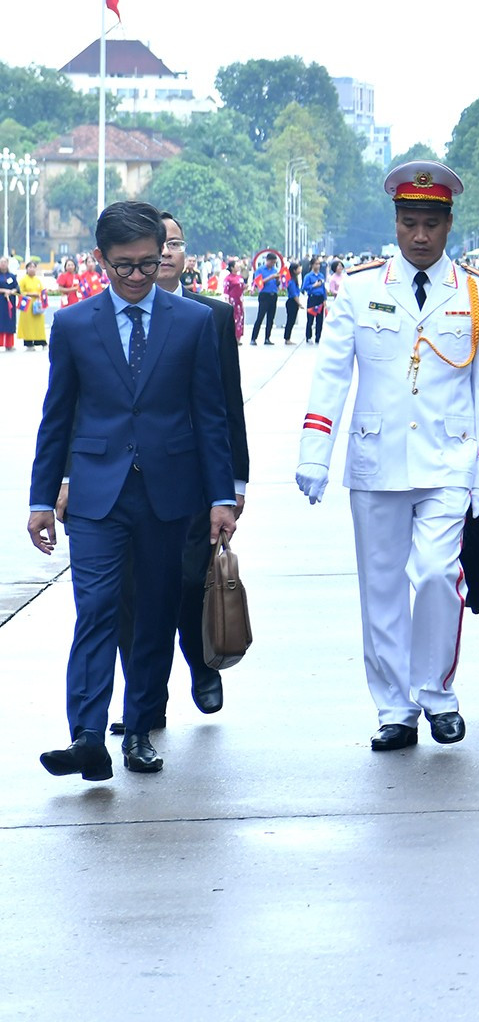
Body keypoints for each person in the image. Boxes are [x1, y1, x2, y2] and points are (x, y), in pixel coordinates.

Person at [294, 162, 479, 752]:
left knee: (438, 573)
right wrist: (315, 451)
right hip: (376, 456)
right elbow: (333, 373)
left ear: (448, 226)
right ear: (395, 223)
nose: (419, 236)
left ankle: (436, 692)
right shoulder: (360, 288)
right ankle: (394, 707)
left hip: (450, 458)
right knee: (382, 587)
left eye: (430, 225)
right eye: (409, 223)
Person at [28, 202, 237, 781]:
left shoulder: (191, 322)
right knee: (95, 609)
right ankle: (87, 736)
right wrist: (42, 498)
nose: (139, 276)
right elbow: (56, 417)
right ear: (101, 259)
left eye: (149, 263)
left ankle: (140, 729)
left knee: (154, 615)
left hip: (169, 494)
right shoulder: (74, 325)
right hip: (96, 496)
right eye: (125, 266)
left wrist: (222, 497)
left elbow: (211, 416)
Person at [99, 211, 252, 732]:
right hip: (123, 480)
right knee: (130, 595)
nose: (164, 253)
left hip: (191, 482)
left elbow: (226, 405)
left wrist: (233, 483)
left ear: (187, 255)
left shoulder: (210, 317)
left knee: (186, 581)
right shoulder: (104, 316)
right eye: (156, 244)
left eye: (175, 243)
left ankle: (201, 662)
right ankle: (145, 704)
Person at [18, 259, 51, 348]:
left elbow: (42, 290)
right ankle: (28, 342)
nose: (32, 269)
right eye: (30, 267)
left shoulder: (37, 280)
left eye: (34, 267)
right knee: (28, 324)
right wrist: (31, 294)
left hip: (37, 305)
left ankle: (40, 341)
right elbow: (20, 292)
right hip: (27, 304)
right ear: (27, 269)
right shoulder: (23, 280)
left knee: (38, 323)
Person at [251, 255, 280, 345]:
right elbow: (258, 282)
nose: (273, 264)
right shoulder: (260, 270)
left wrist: (277, 280)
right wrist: (270, 277)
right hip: (264, 295)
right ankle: (253, 338)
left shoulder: (275, 270)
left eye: (274, 263)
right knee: (260, 316)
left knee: (271, 318)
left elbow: (277, 284)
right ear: (267, 260)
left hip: (273, 295)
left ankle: (267, 338)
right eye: (271, 262)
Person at [302, 260, 329, 343]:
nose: (318, 266)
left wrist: (324, 299)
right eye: (316, 264)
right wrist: (314, 286)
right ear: (312, 265)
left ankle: (318, 337)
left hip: (320, 298)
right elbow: (304, 287)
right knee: (310, 319)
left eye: (319, 264)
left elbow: (323, 288)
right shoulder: (308, 276)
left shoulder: (321, 275)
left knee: (320, 319)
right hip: (312, 298)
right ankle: (308, 336)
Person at [280, 260, 304, 343]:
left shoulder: (294, 280)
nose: (300, 270)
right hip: (292, 302)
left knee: (291, 321)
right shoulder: (291, 281)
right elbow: (294, 294)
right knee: (290, 321)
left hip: (293, 302)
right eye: (298, 268)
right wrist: (299, 303)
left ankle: (287, 338)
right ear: (294, 270)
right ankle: (287, 338)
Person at [0, 256, 17, 350]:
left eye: (4, 262)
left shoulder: (12, 276)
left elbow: (17, 287)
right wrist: (4, 290)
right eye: (1, 262)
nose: (3, 264)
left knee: (10, 321)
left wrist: (13, 291)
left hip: (10, 301)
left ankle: (9, 344)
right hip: (1, 301)